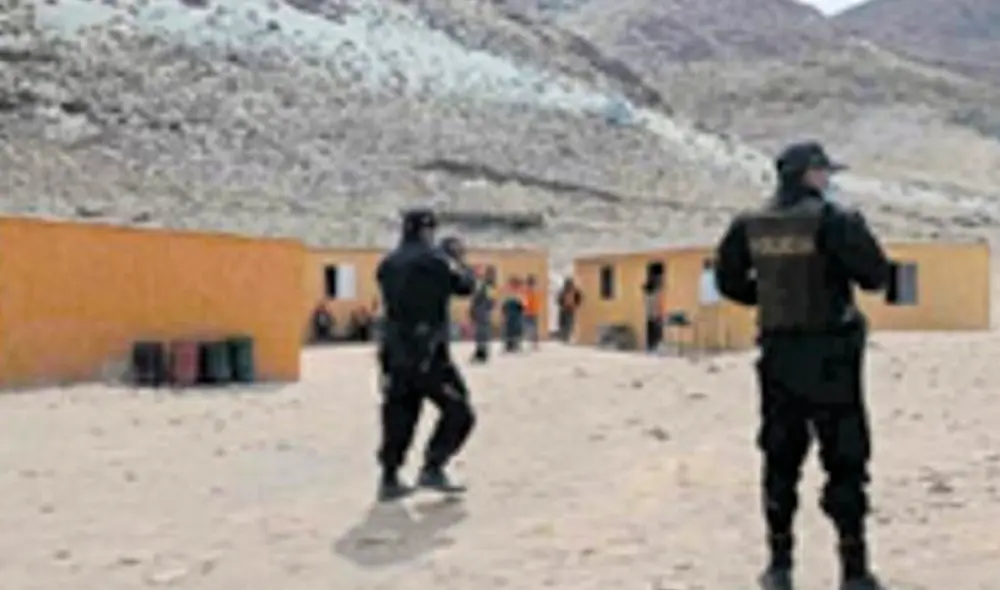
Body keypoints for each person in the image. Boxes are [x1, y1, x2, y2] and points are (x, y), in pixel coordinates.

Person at [714, 141, 890, 590]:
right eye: (824, 173)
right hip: (832, 356)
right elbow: (875, 275)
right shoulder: (836, 220)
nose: (828, 180)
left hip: (779, 355)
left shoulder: (750, 225)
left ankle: (780, 565)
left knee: (780, 459)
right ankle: (853, 569)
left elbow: (728, 281)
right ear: (811, 175)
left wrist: (767, 298)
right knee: (845, 460)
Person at [375, 208, 478, 502]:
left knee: (398, 414)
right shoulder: (436, 261)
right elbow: (466, 287)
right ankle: (433, 466)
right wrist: (457, 259)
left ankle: (389, 477)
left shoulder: (387, 264)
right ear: (427, 230)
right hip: (429, 351)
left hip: (393, 351)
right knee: (460, 410)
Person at [470, 265, 497, 363]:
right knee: (479, 334)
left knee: (482, 333)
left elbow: (492, 300)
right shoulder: (479, 284)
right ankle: (479, 352)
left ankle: (482, 354)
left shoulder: (488, 285)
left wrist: (486, 309)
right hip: (479, 313)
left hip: (483, 313)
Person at [501, 276, 525, 353]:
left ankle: (516, 344)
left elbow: (523, 305)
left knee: (517, 329)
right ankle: (509, 345)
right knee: (509, 330)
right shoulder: (507, 292)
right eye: (512, 284)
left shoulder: (520, 292)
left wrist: (520, 303)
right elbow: (504, 304)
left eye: (515, 284)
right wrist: (504, 314)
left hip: (517, 314)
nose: (513, 286)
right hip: (509, 313)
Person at [556, 277, 582, 342]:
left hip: (567, 309)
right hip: (566, 309)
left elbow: (579, 298)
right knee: (566, 323)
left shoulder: (571, 291)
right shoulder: (573, 290)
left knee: (566, 323)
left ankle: (565, 337)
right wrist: (576, 305)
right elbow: (579, 298)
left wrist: (576, 305)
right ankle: (565, 337)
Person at [642, 275, 664, 352]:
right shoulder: (655, 294)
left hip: (649, 315)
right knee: (656, 332)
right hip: (654, 315)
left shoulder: (647, 294)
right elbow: (657, 305)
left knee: (650, 331)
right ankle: (654, 346)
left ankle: (650, 347)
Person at [522, 275, 542, 350]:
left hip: (529, 312)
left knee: (530, 327)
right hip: (533, 312)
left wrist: (525, 308)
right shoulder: (534, 291)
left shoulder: (528, 291)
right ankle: (534, 343)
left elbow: (526, 302)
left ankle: (533, 342)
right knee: (533, 327)